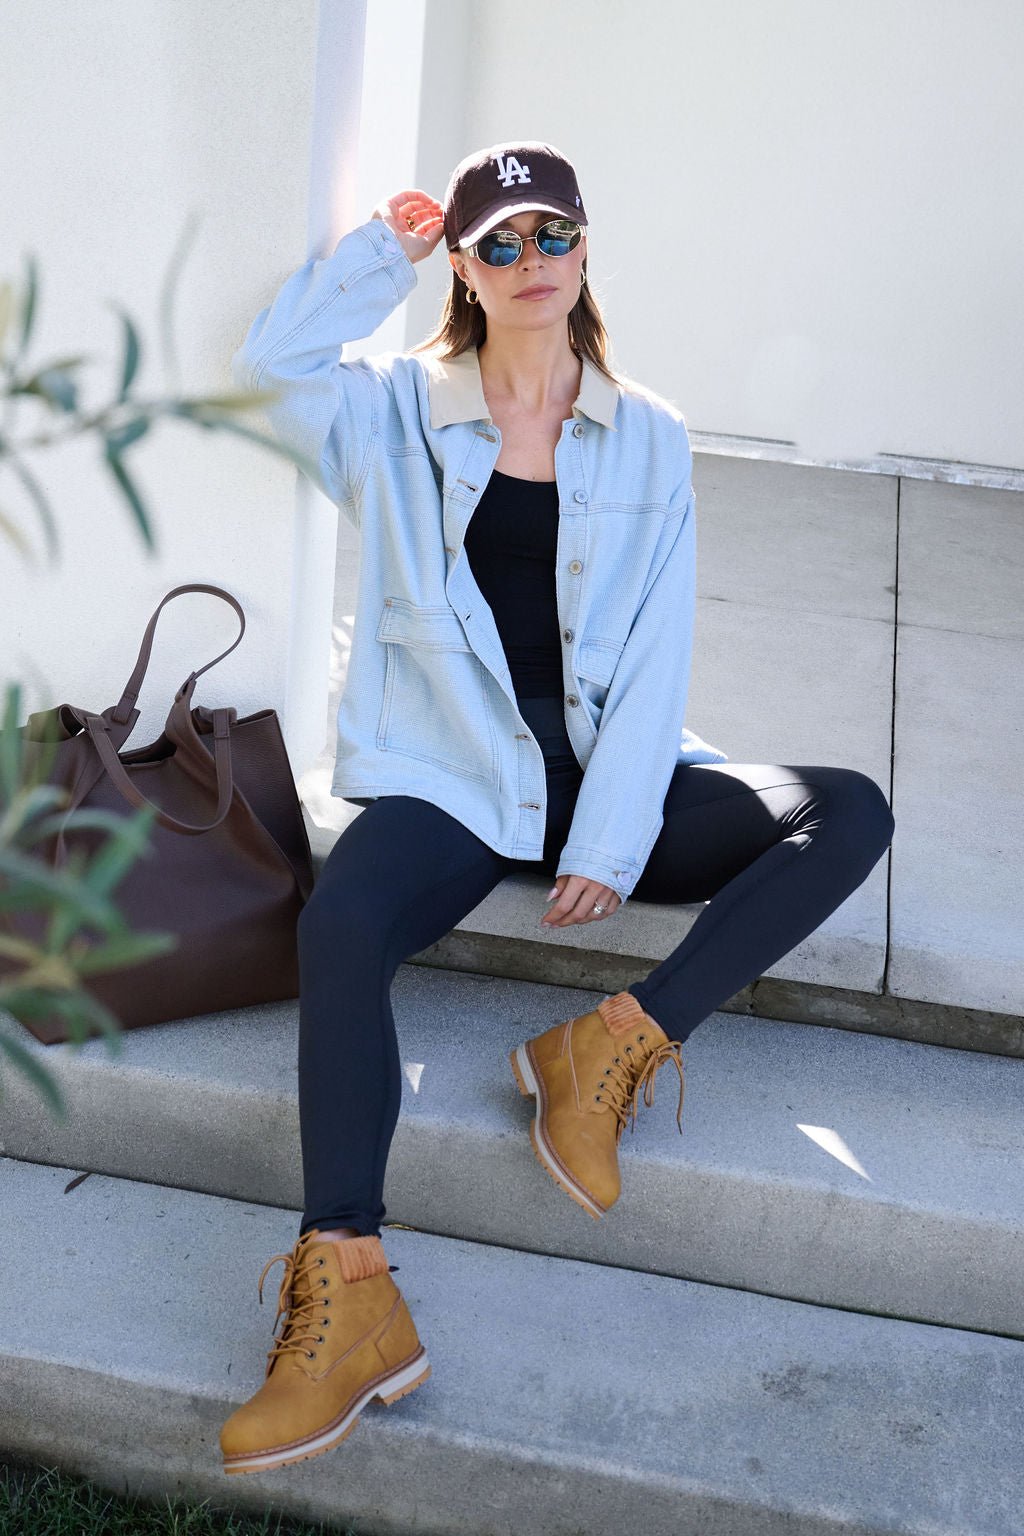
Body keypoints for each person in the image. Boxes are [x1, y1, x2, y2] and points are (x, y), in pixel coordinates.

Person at [219, 140, 895, 1476]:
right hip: (457, 776)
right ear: (464, 269)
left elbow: (656, 651)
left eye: (553, 236)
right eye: (501, 244)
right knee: (344, 925)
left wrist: (612, 834)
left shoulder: (646, 430)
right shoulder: (395, 413)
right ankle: (348, 1284)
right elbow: (266, 378)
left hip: (599, 769)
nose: (533, 264)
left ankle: (608, 1051)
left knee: (849, 809)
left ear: (585, 251)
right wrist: (375, 260)